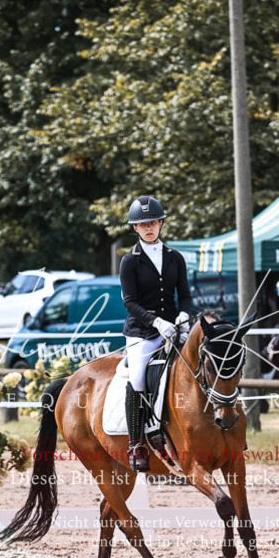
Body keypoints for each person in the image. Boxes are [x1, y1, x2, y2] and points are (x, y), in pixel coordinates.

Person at [119, 195, 193, 472]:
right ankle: (136, 444)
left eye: (153, 222)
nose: (149, 227)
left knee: (203, 363)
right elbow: (129, 302)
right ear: (135, 228)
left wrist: (184, 314)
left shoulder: (175, 258)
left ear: (161, 223)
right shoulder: (130, 261)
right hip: (142, 332)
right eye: (143, 224)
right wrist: (156, 322)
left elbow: (184, 295)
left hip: (174, 328)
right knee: (138, 377)